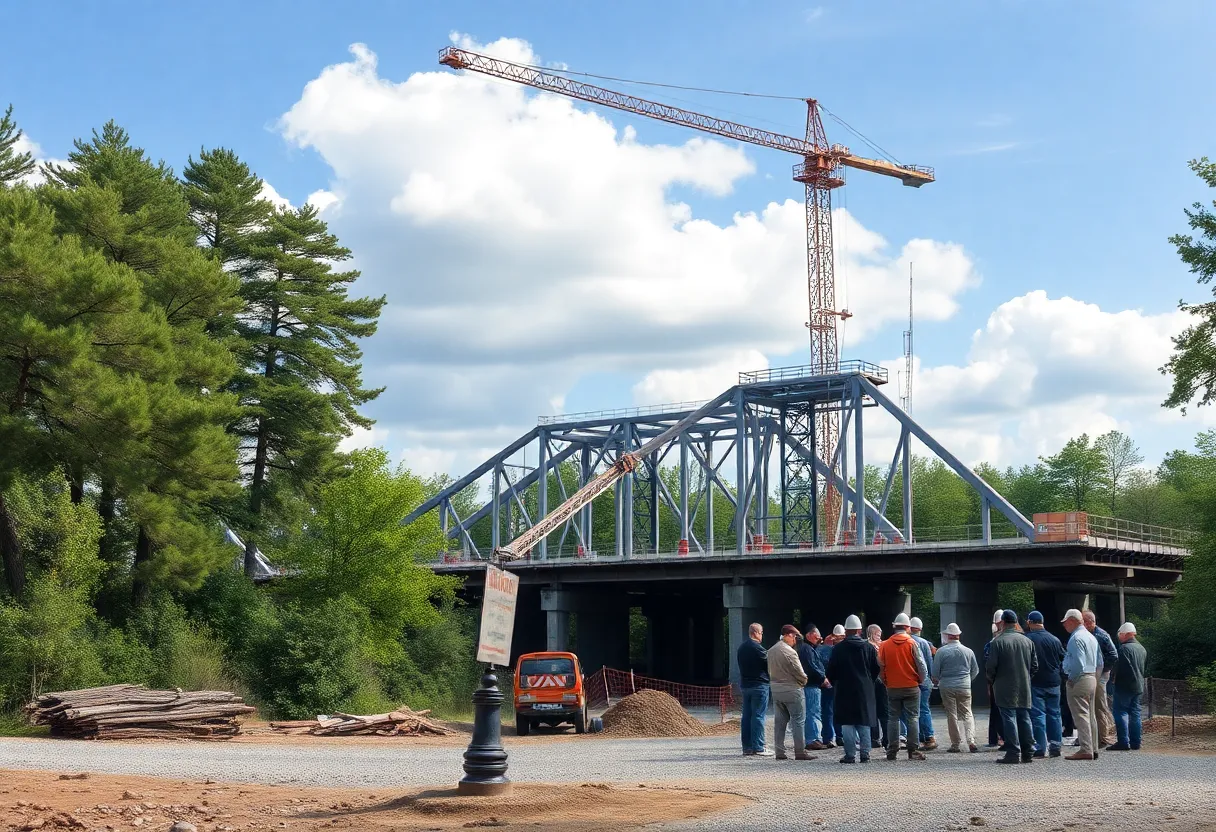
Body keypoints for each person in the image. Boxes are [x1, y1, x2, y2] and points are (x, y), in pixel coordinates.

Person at [826, 615, 881, 764]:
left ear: (846, 630)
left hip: (844, 689)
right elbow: (876, 668)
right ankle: (865, 754)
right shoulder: (868, 647)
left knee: (847, 723)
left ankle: (850, 755)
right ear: (859, 630)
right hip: (864, 689)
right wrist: (869, 681)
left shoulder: (838, 648)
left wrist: (835, 681)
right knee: (864, 722)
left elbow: (831, 671)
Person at [986, 610, 1038, 764]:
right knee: (1024, 717)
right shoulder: (1028, 641)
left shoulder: (997, 642)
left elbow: (990, 667)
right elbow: (1035, 666)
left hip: (1003, 686)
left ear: (1002, 622)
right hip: (1024, 685)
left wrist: (993, 681)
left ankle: (1013, 752)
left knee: (1008, 718)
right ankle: (1028, 751)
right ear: (1016, 622)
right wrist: (1026, 678)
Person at [877, 612, 928, 761]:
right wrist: (920, 680)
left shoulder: (884, 645)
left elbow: (880, 666)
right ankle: (913, 751)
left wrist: (886, 681)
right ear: (907, 627)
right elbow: (921, 665)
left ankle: (892, 750)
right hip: (911, 686)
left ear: (894, 626)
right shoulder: (912, 643)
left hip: (892, 687)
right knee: (913, 717)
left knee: (893, 718)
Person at [767, 624, 814, 760]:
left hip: (776, 690)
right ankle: (800, 751)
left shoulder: (771, 651)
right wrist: (804, 680)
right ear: (788, 635)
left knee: (780, 722)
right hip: (792, 690)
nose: (795, 640)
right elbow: (798, 671)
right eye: (794, 637)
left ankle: (779, 752)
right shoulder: (789, 652)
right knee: (798, 721)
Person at [932, 622, 980, 753]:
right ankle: (971, 741)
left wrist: (940, 680)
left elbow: (935, 673)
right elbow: (975, 670)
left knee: (951, 714)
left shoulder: (941, 652)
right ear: (958, 635)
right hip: (964, 685)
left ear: (948, 636)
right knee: (967, 713)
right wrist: (967, 680)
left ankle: (955, 744)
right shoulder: (968, 651)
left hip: (947, 686)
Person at [1024, 610, 1066, 758]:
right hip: (1054, 682)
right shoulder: (1054, 639)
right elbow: (1064, 658)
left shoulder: (1027, 640)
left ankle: (1040, 747)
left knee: (1038, 716)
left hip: (1036, 682)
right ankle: (1055, 747)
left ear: (1030, 622)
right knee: (1055, 714)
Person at [1061, 608, 1101, 761]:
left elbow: (1078, 663)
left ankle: (1085, 749)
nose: (1064, 626)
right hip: (1091, 677)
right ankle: (1094, 747)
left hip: (1080, 679)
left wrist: (1071, 678)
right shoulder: (1091, 637)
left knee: (1081, 715)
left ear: (1072, 621)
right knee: (1091, 715)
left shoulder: (1075, 638)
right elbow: (1098, 662)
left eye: (1065, 622)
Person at [1083, 610, 1120, 748]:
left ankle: (1103, 737)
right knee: (1091, 704)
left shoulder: (1101, 635)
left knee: (1099, 704)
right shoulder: (1091, 634)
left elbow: (1113, 654)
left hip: (1099, 674)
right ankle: (1094, 736)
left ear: (1088, 623)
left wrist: (1103, 671)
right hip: (1093, 673)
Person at [1109, 621, 1147, 751]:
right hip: (1139, 685)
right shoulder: (1142, 648)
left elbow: (1120, 667)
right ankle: (1136, 743)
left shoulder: (1124, 649)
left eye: (1120, 634)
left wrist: (1113, 679)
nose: (1119, 637)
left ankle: (1123, 742)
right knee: (1135, 713)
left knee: (1120, 712)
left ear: (1125, 634)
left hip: (1124, 685)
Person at [737, 622, 773, 756]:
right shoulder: (758, 648)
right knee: (758, 716)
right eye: (761, 633)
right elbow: (768, 663)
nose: (762, 635)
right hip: (759, 685)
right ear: (756, 633)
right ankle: (758, 746)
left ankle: (747, 747)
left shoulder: (741, 647)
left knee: (746, 716)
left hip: (745, 685)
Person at [908, 617, 938, 750]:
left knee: (910, 711)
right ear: (920, 629)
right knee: (924, 709)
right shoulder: (925, 643)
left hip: (910, 682)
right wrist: (932, 679)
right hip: (924, 682)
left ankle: (916, 737)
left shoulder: (907, 642)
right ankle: (929, 737)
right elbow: (929, 663)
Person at [798, 625, 829, 751]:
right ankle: (813, 739)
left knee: (813, 712)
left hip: (812, 685)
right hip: (811, 686)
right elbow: (812, 667)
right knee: (813, 712)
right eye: (817, 635)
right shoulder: (807, 649)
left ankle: (814, 738)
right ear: (809, 635)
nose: (819, 638)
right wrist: (823, 678)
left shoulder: (809, 648)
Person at [817, 626, 843, 748]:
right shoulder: (842, 649)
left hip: (826, 684)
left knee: (828, 712)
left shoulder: (822, 649)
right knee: (838, 710)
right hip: (837, 684)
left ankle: (829, 737)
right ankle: (839, 736)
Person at [983, 609, 1005, 748]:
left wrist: (989, 682)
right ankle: (1003, 736)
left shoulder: (991, 644)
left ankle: (994, 738)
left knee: (995, 710)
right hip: (1007, 681)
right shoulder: (1019, 639)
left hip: (995, 681)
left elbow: (988, 665)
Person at [867, 623, 888, 749]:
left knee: (875, 710)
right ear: (872, 634)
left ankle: (875, 738)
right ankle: (885, 738)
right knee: (883, 711)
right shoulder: (875, 647)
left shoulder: (867, 646)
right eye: (877, 634)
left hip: (873, 681)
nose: (879, 636)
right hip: (880, 680)